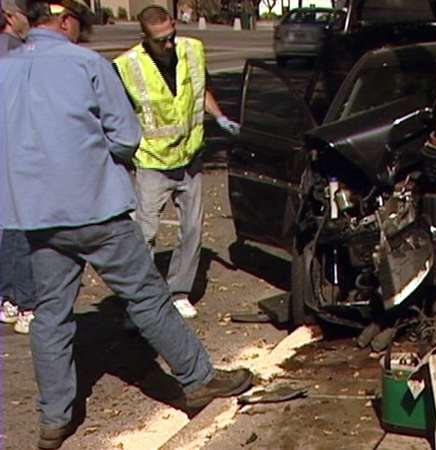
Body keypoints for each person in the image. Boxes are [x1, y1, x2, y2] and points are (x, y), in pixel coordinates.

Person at [0, 1, 252, 448]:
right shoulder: (85, 64)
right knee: (147, 297)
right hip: (96, 208)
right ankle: (197, 379)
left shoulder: (5, 70)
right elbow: (126, 136)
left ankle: (53, 418)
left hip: (38, 216)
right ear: (66, 21)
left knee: (51, 317)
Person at [114, 5, 240, 319]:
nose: (169, 44)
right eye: (160, 40)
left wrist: (220, 116)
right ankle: (141, 302)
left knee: (192, 229)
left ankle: (178, 292)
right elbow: (117, 114)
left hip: (191, 157)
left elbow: (200, 92)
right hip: (153, 162)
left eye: (171, 36)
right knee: (144, 234)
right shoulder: (128, 66)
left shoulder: (192, 50)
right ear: (145, 38)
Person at [0, 0, 36, 334]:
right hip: (15, 153)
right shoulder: (15, 53)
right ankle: (25, 302)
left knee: (9, 228)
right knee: (20, 230)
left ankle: (10, 298)